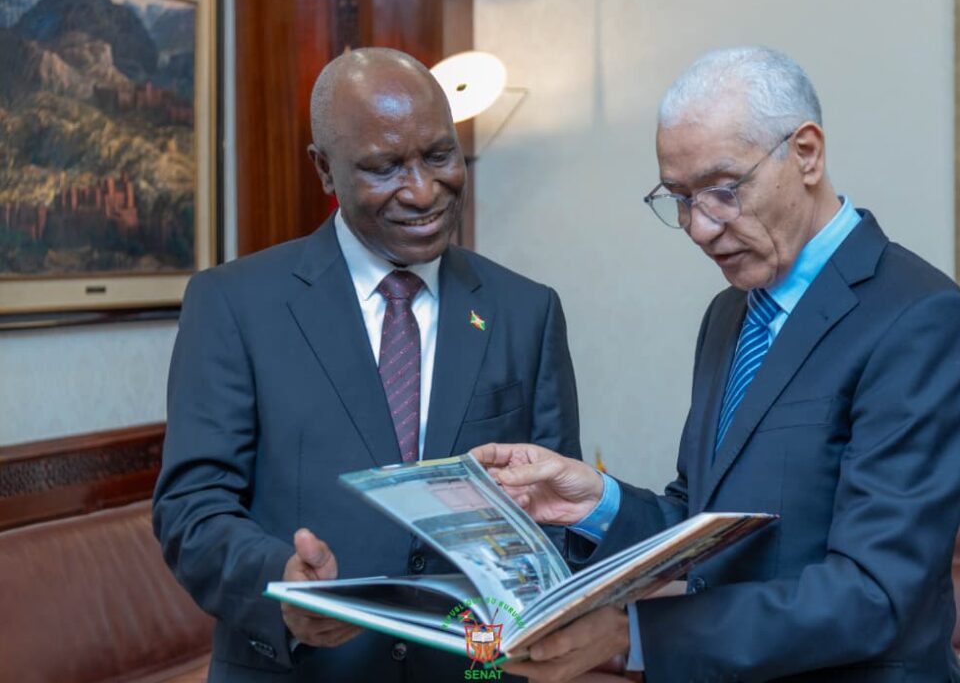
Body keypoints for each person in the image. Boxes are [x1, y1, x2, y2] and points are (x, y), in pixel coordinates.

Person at [473, 46, 960, 682]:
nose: (700, 227)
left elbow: (873, 595)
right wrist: (595, 501)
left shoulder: (918, 316)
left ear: (806, 154)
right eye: (679, 197)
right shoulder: (730, 314)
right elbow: (706, 524)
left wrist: (634, 634)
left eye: (723, 191)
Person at [153, 47, 581, 682]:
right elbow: (192, 508)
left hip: (474, 670)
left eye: (440, 155)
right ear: (325, 170)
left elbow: (554, 518)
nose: (423, 190)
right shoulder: (234, 304)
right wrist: (283, 584)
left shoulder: (526, 310)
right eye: (385, 167)